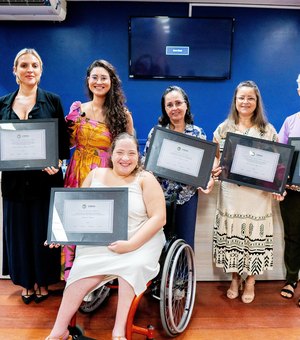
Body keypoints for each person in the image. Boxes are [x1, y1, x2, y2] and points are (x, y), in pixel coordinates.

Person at [46, 132, 166, 340]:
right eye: (120, 152)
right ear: (111, 155)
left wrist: (130, 245)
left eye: (131, 153)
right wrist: (59, 234)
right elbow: (78, 211)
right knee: (82, 272)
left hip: (140, 239)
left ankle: (119, 332)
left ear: (138, 156)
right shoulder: (96, 174)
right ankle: (59, 331)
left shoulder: (145, 178)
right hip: (101, 240)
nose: (125, 158)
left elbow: (159, 218)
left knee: (131, 268)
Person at [0, 48, 70, 304]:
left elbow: (62, 142)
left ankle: (43, 281)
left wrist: (57, 162)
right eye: (24, 65)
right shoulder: (2, 103)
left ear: (41, 71)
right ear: (15, 71)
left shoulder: (52, 100)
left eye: (34, 65)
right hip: (14, 183)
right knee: (18, 234)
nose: (29, 69)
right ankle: (26, 283)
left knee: (42, 233)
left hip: (45, 182)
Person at [212, 80, 284, 304]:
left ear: (257, 102)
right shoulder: (223, 129)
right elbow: (216, 159)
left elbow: (278, 165)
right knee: (234, 236)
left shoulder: (268, 130)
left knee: (253, 237)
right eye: (241, 97)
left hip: (257, 197)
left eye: (250, 98)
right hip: (232, 195)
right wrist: (214, 169)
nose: (245, 102)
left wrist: (278, 186)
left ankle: (251, 280)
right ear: (235, 101)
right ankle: (234, 278)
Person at [62, 59, 134, 280]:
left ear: (111, 82)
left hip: (105, 175)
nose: (99, 82)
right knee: (75, 223)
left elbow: (129, 148)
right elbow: (68, 144)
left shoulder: (122, 114)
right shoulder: (78, 109)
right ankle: (72, 276)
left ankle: (98, 277)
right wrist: (68, 126)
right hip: (77, 173)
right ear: (88, 81)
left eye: (104, 78)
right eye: (95, 77)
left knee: (100, 225)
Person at [143, 85, 215, 249]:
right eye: (169, 105)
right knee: (158, 243)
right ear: (164, 109)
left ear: (186, 105)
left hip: (187, 197)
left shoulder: (198, 134)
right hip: (159, 197)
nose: (174, 108)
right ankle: (160, 276)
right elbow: (146, 167)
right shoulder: (157, 133)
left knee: (185, 243)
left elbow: (205, 168)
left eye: (178, 103)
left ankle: (184, 275)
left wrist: (208, 179)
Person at [278, 80, 300, 305]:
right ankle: (291, 279)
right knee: (292, 236)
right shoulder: (290, 122)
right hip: (294, 192)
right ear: (299, 90)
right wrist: (281, 185)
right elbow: (280, 159)